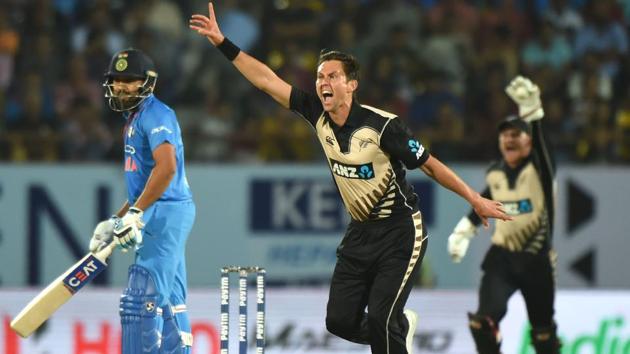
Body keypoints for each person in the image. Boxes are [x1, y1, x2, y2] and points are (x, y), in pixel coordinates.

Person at [190, 4, 510, 354]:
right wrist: (223, 43)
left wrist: (474, 199)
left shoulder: (384, 126)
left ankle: (394, 329)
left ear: (351, 85)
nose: (323, 83)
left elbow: (431, 165)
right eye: (319, 77)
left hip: (400, 231)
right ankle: (399, 330)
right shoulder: (316, 114)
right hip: (360, 232)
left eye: (332, 76)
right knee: (339, 321)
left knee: (382, 320)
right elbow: (267, 81)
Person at [89, 48, 196, 354]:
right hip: (161, 210)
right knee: (170, 302)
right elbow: (144, 186)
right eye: (116, 80)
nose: (121, 86)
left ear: (146, 83)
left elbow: (167, 168)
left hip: (165, 212)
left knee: (141, 298)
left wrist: (136, 213)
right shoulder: (134, 118)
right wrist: (116, 219)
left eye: (130, 80)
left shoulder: (157, 115)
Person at [447, 76, 560, 354]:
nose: (509, 138)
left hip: (536, 261)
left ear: (529, 142)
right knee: (481, 324)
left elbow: (543, 147)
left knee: (544, 336)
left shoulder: (541, 172)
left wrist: (533, 112)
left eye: (516, 134)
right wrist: (465, 229)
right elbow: (482, 204)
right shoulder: (495, 174)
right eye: (505, 134)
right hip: (502, 260)